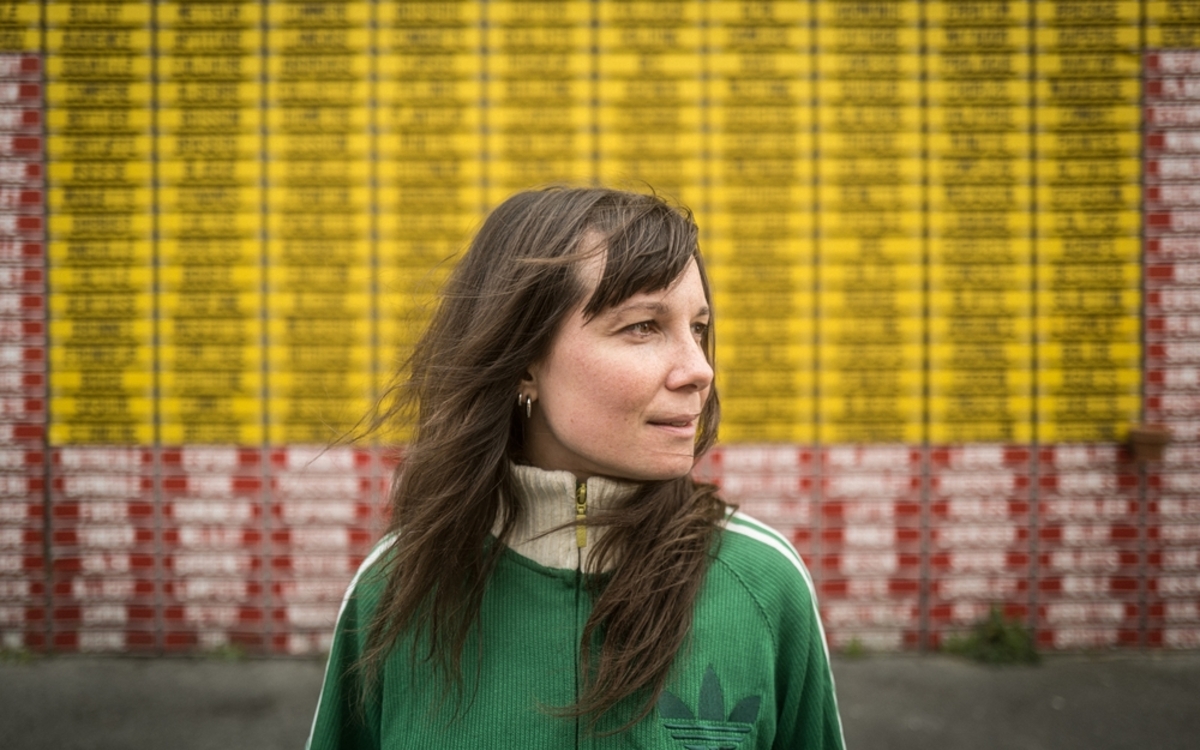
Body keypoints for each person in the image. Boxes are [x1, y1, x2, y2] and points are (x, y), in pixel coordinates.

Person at [306, 186, 845, 749]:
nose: (698, 369)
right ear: (524, 361)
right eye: (643, 326)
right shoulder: (395, 589)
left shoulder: (763, 583)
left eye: (699, 329)